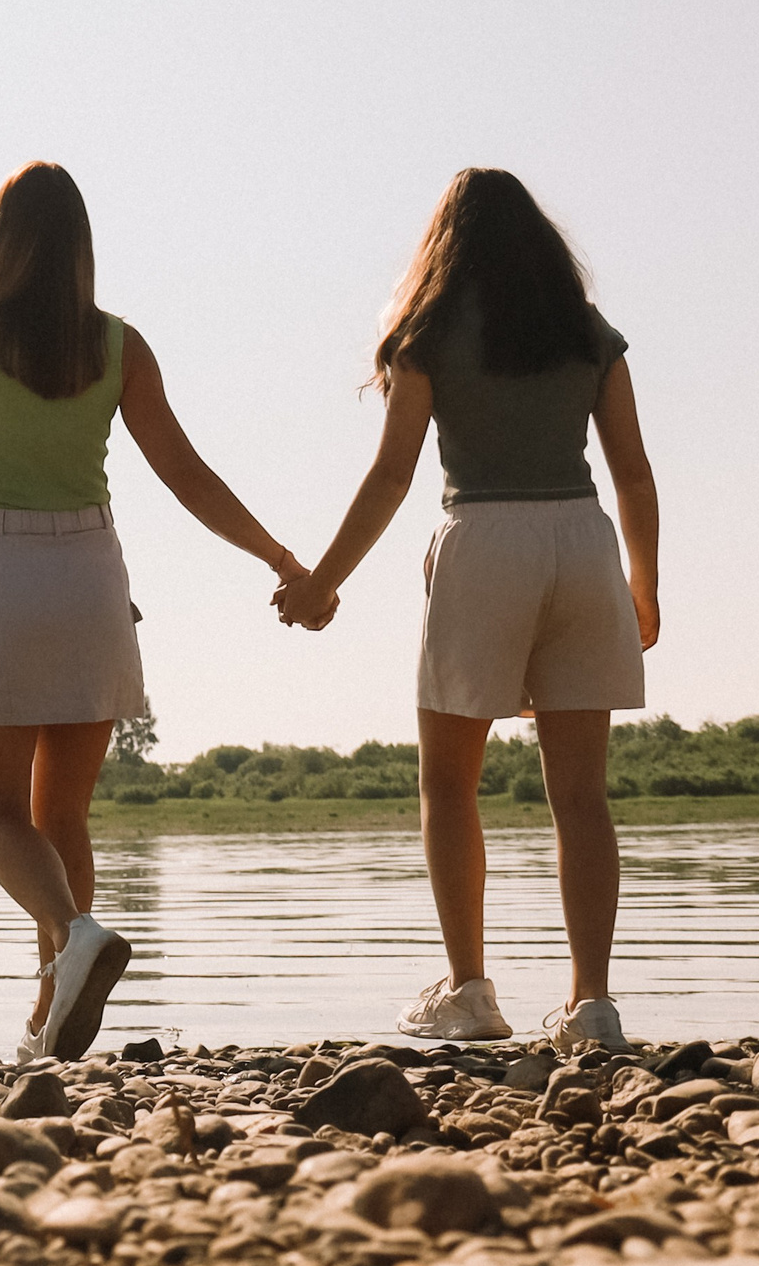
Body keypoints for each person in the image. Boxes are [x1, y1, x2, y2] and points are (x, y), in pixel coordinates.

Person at [0, 163, 306, 1061]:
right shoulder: (120, 345)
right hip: (95, 577)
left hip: (6, 574)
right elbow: (188, 474)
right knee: (63, 818)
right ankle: (50, 1011)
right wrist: (281, 559)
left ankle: (72, 937)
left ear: (3, 242)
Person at [276, 168, 658, 1051]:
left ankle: (470, 990)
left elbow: (392, 472)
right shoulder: (587, 332)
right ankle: (592, 1004)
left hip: (482, 537)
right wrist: (645, 579)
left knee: (449, 781)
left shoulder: (428, 332)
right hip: (581, 538)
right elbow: (633, 468)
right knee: (581, 794)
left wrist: (323, 579)